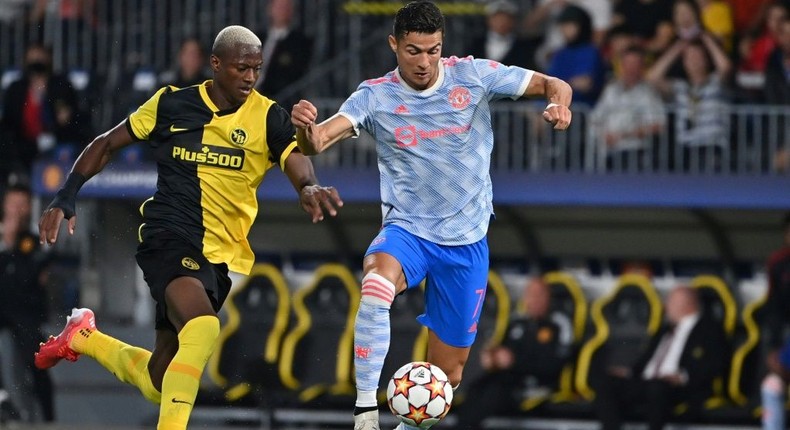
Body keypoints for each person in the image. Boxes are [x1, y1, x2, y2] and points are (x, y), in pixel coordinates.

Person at [34, 25, 343, 430]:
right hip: (169, 236)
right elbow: (108, 143)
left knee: (162, 382)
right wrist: (66, 194)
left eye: (256, 68)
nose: (250, 77)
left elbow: (294, 156)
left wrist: (308, 185)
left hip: (218, 256)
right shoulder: (171, 104)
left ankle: (83, 338)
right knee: (203, 326)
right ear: (215, 65)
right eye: (241, 68)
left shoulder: (268, 116)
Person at [289, 2, 572, 429]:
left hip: (466, 242)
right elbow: (317, 143)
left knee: (447, 378)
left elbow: (554, 83)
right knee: (375, 284)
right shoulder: (375, 95)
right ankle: (365, 410)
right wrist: (304, 130)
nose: (424, 62)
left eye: (433, 50)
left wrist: (560, 105)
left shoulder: (473, 76)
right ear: (394, 45)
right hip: (408, 231)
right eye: (413, 51)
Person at [593, 286, 729, 430]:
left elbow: (714, 363)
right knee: (606, 383)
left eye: (670, 302)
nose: (666, 306)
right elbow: (647, 360)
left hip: (677, 387)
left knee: (657, 388)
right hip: (647, 381)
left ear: (686, 303)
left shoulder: (710, 330)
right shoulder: (664, 330)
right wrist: (629, 372)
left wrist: (683, 376)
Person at [448, 278, 573, 430]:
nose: (534, 299)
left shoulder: (558, 324)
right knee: (476, 387)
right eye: (530, 294)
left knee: (495, 391)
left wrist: (515, 361)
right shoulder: (517, 323)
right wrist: (493, 358)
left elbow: (557, 363)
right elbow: (502, 350)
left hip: (538, 383)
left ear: (548, 298)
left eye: (539, 294)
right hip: (508, 378)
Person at [0, 183, 54, 422]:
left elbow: (29, 277)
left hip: (26, 316)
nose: (18, 211)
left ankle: (48, 417)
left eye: (23, 205)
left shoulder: (34, 241)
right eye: (14, 204)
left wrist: (13, 245)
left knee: (39, 361)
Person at [0, 43, 90, 184]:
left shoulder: (61, 84)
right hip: (22, 143)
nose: (36, 62)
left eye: (40, 58)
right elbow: (9, 121)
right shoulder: (17, 88)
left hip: (56, 138)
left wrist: (64, 118)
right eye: (32, 58)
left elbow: (71, 117)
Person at [591, 46, 666, 172]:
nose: (630, 68)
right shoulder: (611, 90)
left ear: (642, 67)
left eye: (635, 64)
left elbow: (658, 125)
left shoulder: (648, 93)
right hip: (608, 152)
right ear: (621, 66)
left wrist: (625, 135)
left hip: (636, 153)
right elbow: (595, 118)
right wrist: (603, 135)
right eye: (627, 64)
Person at [761, 212, 790, 430]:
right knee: (771, 385)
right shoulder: (779, 261)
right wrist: (775, 348)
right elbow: (774, 308)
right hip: (786, 337)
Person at [255, 0, 312, 109]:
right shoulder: (257, 37)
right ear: (270, 9)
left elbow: (293, 75)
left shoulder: (299, 42)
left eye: (286, 7)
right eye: (279, 7)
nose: (282, 11)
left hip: (278, 101)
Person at [468, 0, 538, 71]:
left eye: (505, 18)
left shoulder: (524, 47)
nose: (501, 22)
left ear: (513, 21)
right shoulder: (476, 44)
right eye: (496, 18)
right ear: (488, 20)